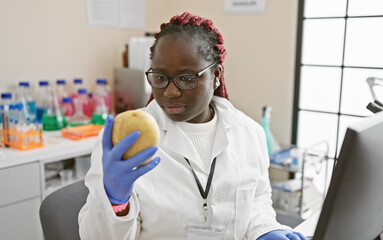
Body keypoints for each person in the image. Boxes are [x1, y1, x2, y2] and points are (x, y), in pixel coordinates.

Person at [78, 12, 308, 240]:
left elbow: (257, 199)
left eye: (187, 78)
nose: (170, 91)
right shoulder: (125, 141)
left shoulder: (249, 133)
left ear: (216, 75)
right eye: (159, 77)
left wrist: (265, 230)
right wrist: (116, 201)